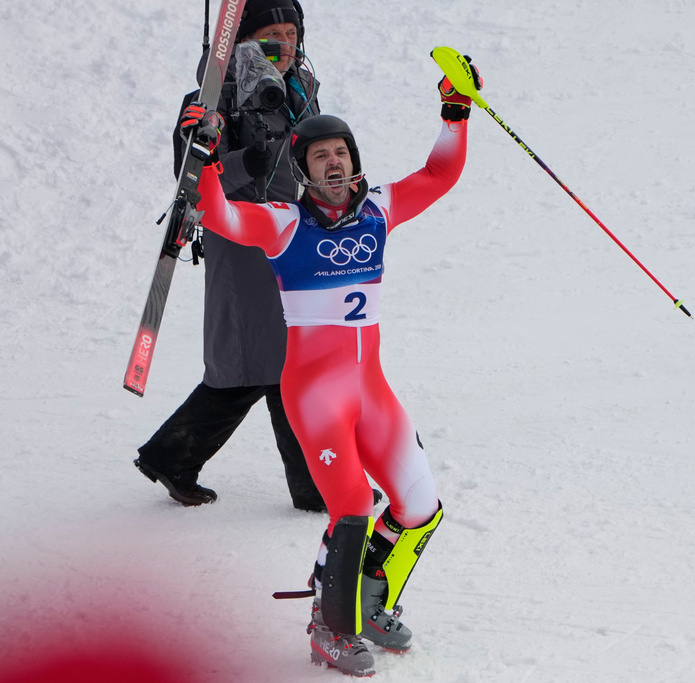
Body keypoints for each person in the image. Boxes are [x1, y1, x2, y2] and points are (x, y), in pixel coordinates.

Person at [180, 57, 481, 676]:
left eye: (341, 151)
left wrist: (455, 111)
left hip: (371, 388)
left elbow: (440, 174)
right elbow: (221, 216)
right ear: (303, 169)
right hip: (315, 394)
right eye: (320, 156)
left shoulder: (379, 211)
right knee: (350, 507)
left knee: (419, 505)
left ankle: (368, 603)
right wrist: (206, 157)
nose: (334, 162)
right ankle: (328, 626)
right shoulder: (284, 223)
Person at [134, 0, 328, 511]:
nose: (283, 46)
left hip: (296, 242)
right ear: (241, 42)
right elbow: (191, 182)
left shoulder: (300, 91)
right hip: (245, 247)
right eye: (270, 36)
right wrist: (245, 160)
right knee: (259, 367)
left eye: (291, 34)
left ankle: (171, 458)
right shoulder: (212, 101)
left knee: (285, 365)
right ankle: (312, 486)